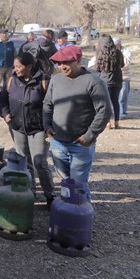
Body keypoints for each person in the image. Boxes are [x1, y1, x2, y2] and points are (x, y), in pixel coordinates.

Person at [43, 45, 111, 201]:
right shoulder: (56, 79)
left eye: (66, 62)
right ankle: (67, 213)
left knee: (78, 184)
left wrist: (90, 135)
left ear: (78, 60)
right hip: (58, 142)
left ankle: (81, 217)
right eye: (59, 63)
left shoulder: (93, 82)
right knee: (66, 182)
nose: (62, 66)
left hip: (81, 144)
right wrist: (47, 127)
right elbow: (47, 105)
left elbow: (104, 111)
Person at [0, 52, 55, 208]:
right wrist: (5, 114)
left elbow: (53, 105)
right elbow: (2, 99)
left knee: (39, 162)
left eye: (19, 67)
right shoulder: (12, 80)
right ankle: (30, 191)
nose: (16, 70)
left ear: (29, 66)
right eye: (14, 66)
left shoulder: (44, 81)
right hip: (17, 127)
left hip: (39, 128)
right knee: (24, 161)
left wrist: (50, 126)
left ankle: (50, 196)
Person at [90, 34, 124, 129]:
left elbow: (97, 69)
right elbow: (122, 64)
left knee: (106, 102)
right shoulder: (118, 52)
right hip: (118, 80)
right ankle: (116, 122)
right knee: (115, 101)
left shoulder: (100, 54)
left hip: (105, 80)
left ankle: (108, 123)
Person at [0, 27, 15, 103]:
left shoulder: (11, 43)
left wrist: (14, 63)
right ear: (0, 34)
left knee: (8, 82)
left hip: (9, 66)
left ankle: (6, 96)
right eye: (3, 33)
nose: (5, 35)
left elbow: (14, 54)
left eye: (6, 33)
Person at [115, 37, 131, 119]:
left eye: (116, 45)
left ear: (119, 44)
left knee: (123, 96)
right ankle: (116, 113)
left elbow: (127, 62)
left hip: (124, 77)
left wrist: (118, 61)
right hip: (114, 77)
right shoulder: (111, 51)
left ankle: (123, 113)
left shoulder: (126, 51)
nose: (115, 46)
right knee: (115, 96)